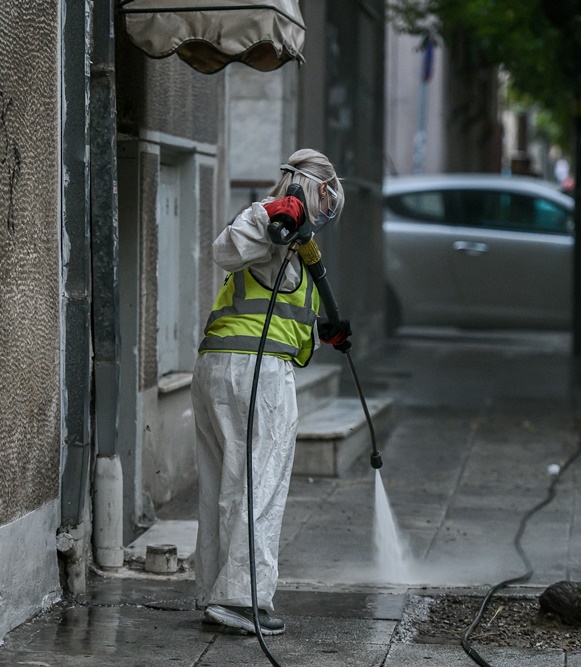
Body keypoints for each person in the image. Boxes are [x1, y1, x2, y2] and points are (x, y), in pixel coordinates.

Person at [193, 148, 350, 635]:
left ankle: (217, 594)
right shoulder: (271, 222)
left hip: (219, 368)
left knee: (226, 485)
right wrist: (267, 213)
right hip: (257, 375)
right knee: (261, 486)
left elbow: (278, 312)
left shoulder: (295, 245)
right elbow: (223, 248)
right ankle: (242, 600)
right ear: (316, 188)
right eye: (327, 201)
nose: (326, 214)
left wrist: (323, 333)